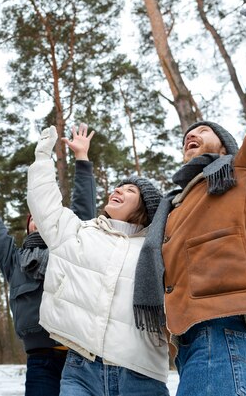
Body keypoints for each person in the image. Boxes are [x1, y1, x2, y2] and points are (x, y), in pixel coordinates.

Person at [131, 0, 246, 395]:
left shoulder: (245, 174)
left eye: (202, 131)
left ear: (226, 145)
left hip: (227, 340)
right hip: (193, 347)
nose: (191, 136)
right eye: (186, 136)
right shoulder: (172, 207)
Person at [27, 126, 170, 396]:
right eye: (119, 186)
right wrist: (43, 158)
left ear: (145, 207)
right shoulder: (79, 232)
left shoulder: (157, 250)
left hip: (141, 373)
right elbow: (44, 204)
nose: (119, 190)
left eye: (130, 190)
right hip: (82, 368)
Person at [0, 123, 97, 396]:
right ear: (28, 226)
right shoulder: (16, 261)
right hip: (41, 358)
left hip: (81, 354)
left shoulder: (71, 244)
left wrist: (81, 159)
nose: (41, 219)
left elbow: (84, 208)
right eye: (34, 217)